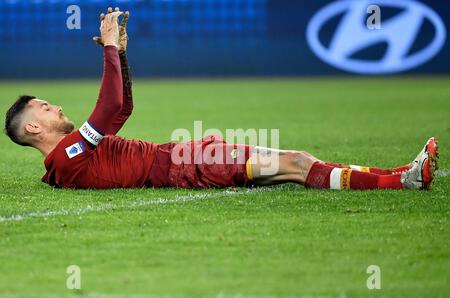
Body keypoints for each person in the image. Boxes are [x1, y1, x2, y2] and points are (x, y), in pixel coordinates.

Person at [4, 8, 439, 191]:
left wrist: (123, 53)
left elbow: (121, 108)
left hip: (185, 157)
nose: (54, 106)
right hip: (188, 166)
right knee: (298, 163)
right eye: (43, 107)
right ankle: (403, 180)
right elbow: (106, 107)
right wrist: (110, 49)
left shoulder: (73, 154)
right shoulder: (65, 159)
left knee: (293, 167)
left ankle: (403, 174)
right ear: (33, 129)